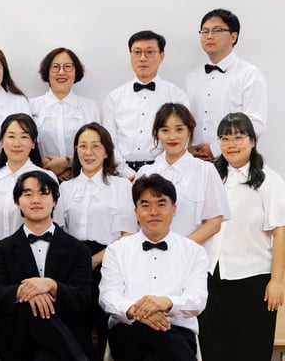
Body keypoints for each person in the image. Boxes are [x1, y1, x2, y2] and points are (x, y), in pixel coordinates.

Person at [199, 113, 284, 360]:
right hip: (213, 276)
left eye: (238, 137)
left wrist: (277, 281)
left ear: (252, 141)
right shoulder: (211, 176)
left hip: (254, 280)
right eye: (225, 138)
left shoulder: (269, 180)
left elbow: (280, 232)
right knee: (214, 350)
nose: (231, 144)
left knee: (251, 350)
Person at [0, 170, 92, 361]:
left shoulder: (78, 249)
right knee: (28, 307)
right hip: (18, 338)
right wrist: (25, 292)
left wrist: (52, 286)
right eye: (28, 194)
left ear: (55, 201)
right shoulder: (0, 250)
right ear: (18, 203)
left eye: (43, 193)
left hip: (65, 328)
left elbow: (83, 299)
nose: (36, 200)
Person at [99, 174, 208, 360]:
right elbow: (107, 296)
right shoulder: (117, 250)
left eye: (161, 204)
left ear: (174, 209)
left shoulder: (194, 252)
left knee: (163, 338)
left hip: (176, 333)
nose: (153, 212)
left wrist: (167, 302)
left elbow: (197, 299)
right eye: (145, 205)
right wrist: (138, 312)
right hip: (129, 331)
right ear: (136, 211)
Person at [53, 122, 138, 359]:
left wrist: (94, 260)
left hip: (110, 262)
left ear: (107, 151)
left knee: (106, 327)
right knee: (75, 329)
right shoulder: (65, 188)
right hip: (73, 263)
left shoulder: (121, 186)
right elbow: (59, 232)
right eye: (82, 146)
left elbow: (128, 234)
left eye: (95, 146)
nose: (88, 152)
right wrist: (79, 262)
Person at [136, 103, 230, 255]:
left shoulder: (205, 171)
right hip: (149, 257)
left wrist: (177, 251)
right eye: (165, 130)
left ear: (189, 132)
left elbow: (213, 223)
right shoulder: (145, 173)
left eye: (179, 129)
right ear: (157, 133)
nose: (172, 136)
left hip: (191, 258)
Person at [102, 30, 190, 179]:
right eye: (137, 52)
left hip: (164, 174)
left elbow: (182, 138)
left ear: (161, 56)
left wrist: (154, 172)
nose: (142, 58)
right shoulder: (113, 98)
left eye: (149, 52)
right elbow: (109, 141)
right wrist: (127, 173)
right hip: (122, 176)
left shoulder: (177, 96)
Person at [186, 8, 268, 162]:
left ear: (233, 36)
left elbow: (255, 125)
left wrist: (216, 148)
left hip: (233, 161)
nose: (209, 36)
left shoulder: (250, 74)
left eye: (217, 30)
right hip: (196, 162)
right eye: (205, 31)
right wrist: (187, 148)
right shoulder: (192, 77)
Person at [0, 113, 56, 256]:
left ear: (33, 143)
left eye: (24, 137)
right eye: (11, 136)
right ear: (1, 142)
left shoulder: (47, 177)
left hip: (36, 257)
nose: (17, 143)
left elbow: (55, 224)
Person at [29, 47, 100, 181]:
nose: (61, 72)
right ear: (47, 71)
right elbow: (24, 144)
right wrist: (48, 166)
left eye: (68, 67)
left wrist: (68, 163)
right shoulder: (31, 106)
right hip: (42, 179)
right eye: (55, 67)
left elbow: (100, 146)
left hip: (83, 177)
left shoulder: (91, 107)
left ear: (76, 71)